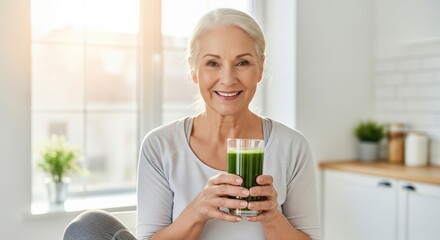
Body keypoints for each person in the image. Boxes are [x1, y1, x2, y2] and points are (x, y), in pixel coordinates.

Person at [63, 8, 321, 240]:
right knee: (89, 226)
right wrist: (198, 210)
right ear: (194, 70)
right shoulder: (160, 145)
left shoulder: (292, 147)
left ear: (260, 68)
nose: (228, 78)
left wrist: (272, 216)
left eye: (242, 62)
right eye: (213, 63)